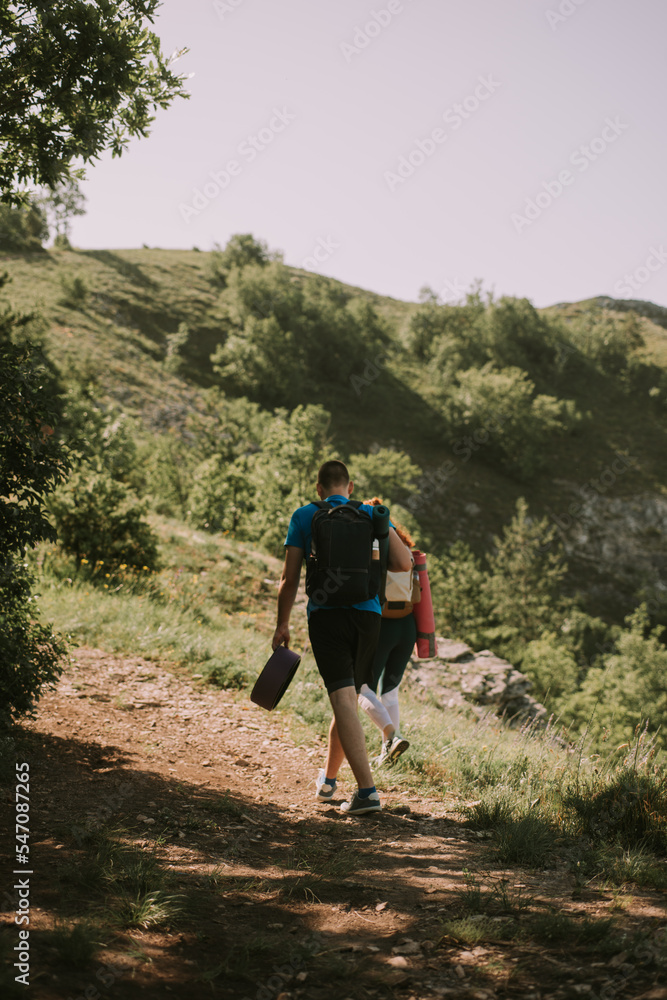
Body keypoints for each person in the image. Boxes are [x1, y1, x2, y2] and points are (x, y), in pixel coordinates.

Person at [272, 460, 411, 816]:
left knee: (342, 699)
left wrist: (282, 624)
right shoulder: (369, 514)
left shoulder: (304, 516)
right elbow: (404, 563)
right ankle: (330, 780)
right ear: (349, 487)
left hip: (327, 616)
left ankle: (367, 792)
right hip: (369, 618)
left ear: (319, 489)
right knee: (346, 695)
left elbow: (289, 579)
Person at [358, 498, 416, 767]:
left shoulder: (375, 547)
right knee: (389, 692)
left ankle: (392, 737)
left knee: (362, 689)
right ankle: (387, 756)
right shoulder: (404, 547)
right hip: (408, 626)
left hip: (383, 626)